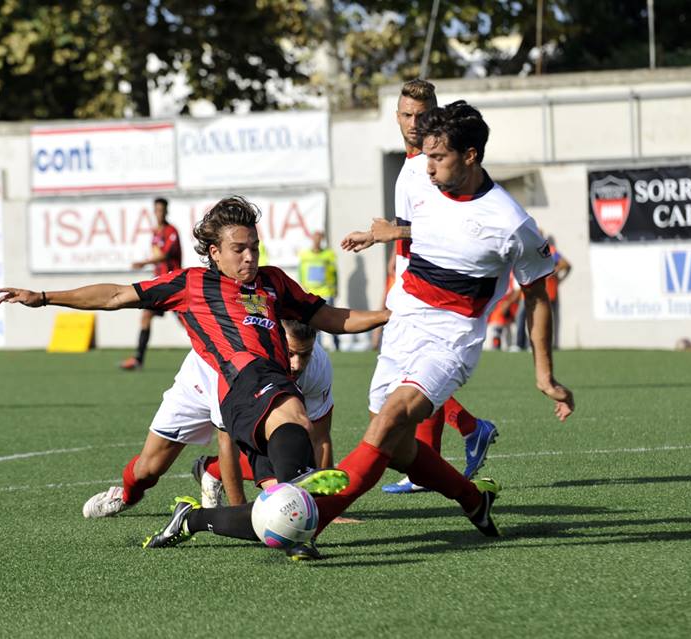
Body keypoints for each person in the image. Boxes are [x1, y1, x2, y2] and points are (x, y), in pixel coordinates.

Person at [146, 103, 575, 560]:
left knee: (389, 421)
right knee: (396, 446)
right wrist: (389, 232)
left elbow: (537, 293)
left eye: (438, 158)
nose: (427, 168)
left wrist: (544, 373)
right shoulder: (421, 180)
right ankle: (474, 498)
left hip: (451, 337)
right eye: (425, 156)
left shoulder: (511, 223)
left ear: (470, 156)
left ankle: (311, 513)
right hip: (404, 322)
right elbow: (432, 226)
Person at [0, 196, 390, 553]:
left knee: (274, 513)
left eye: (254, 247)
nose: (249, 257)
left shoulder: (273, 281)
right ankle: (291, 481)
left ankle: (201, 519)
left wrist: (391, 315)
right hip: (241, 381)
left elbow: (331, 318)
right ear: (215, 252)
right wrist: (45, 297)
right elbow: (116, 295)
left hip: (264, 384)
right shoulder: (192, 283)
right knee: (282, 419)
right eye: (239, 250)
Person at [345, 79, 499, 493]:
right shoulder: (410, 167)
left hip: (434, 287)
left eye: (423, 114)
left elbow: (445, 227)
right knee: (405, 379)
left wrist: (387, 233)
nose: (414, 123)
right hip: (410, 280)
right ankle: (454, 440)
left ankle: (449, 443)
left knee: (413, 378)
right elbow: (412, 230)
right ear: (396, 117)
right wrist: (381, 235)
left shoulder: (436, 166)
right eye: (407, 115)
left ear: (436, 113)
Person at [82, 319, 335, 518]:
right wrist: (242, 513)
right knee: (147, 471)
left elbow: (319, 438)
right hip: (199, 385)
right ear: (273, 341)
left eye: (305, 354)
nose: (297, 364)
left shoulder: (318, 365)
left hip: (257, 393)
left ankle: (210, 470)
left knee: (288, 446)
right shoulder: (239, 364)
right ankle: (125, 496)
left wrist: (327, 509)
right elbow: (228, 445)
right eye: (290, 353)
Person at [120, 198, 182, 371]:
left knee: (190, 322)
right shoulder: (156, 233)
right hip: (159, 284)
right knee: (146, 316)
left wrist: (143, 262)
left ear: (166, 211)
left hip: (174, 284)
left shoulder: (172, 231)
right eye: (157, 210)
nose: (159, 213)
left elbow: (165, 255)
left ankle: (209, 353)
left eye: (162, 210)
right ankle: (138, 359)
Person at [298, 231, 340, 351]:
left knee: (332, 320)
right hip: (312, 293)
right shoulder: (305, 255)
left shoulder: (329, 254)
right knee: (316, 322)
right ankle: (318, 347)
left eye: (319, 238)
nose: (317, 241)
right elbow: (301, 272)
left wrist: (335, 288)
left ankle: (337, 345)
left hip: (326, 291)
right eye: (315, 238)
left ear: (322, 239)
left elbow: (334, 273)